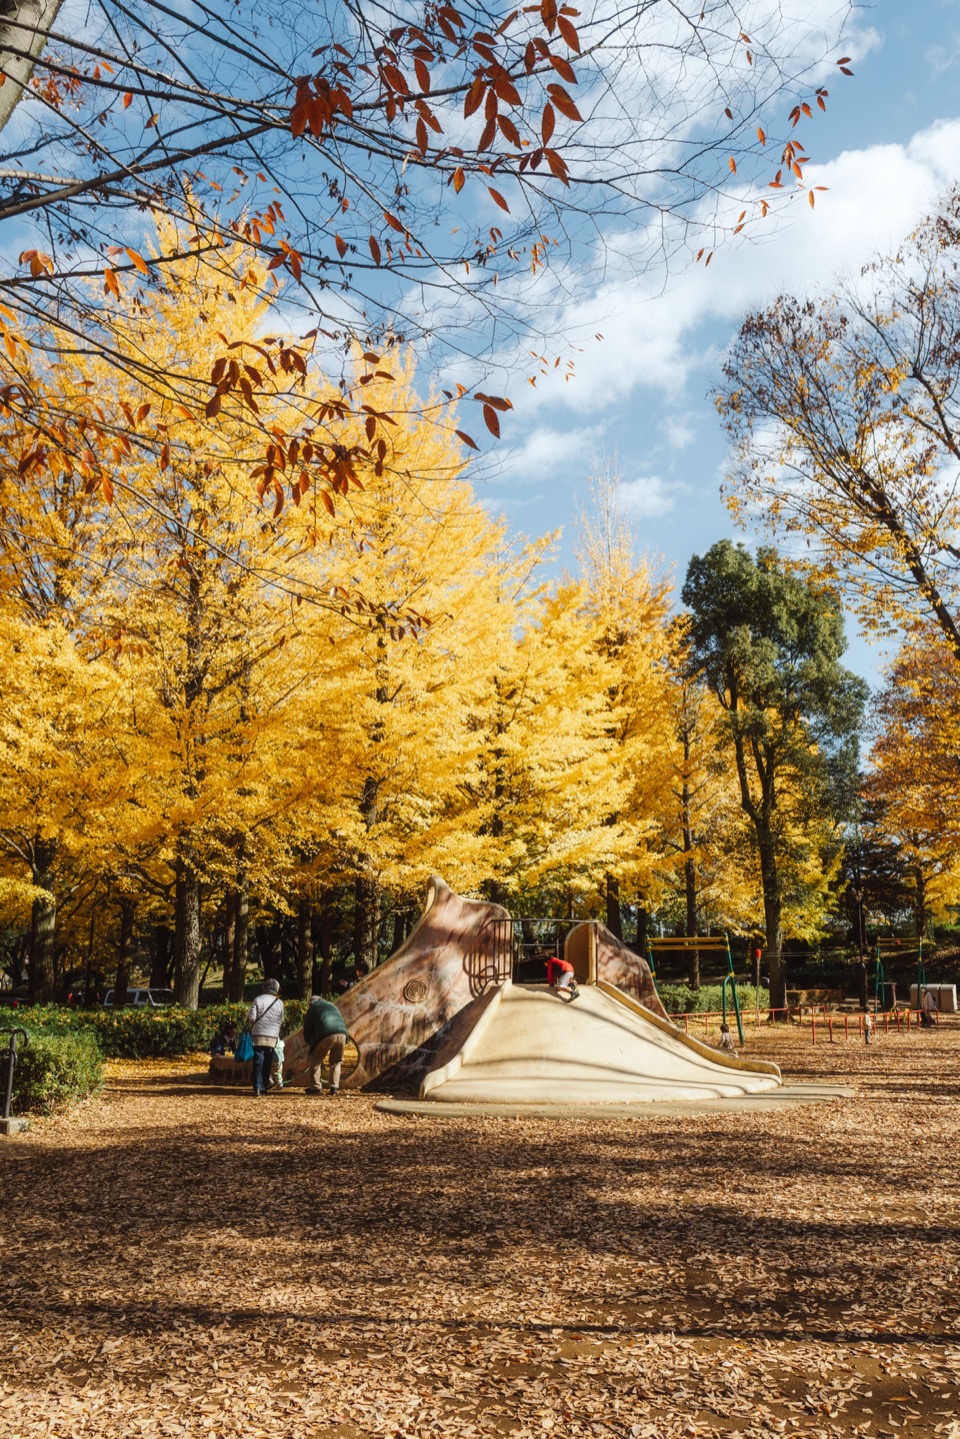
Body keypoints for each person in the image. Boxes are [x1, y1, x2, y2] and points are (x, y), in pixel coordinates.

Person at [303, 996, 349, 1095]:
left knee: (315, 1060)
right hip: (342, 1034)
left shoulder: (313, 1008)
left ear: (311, 1003)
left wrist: (309, 1042)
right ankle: (334, 1088)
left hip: (326, 1034)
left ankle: (315, 1087)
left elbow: (307, 1027)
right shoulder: (332, 1005)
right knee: (336, 1062)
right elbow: (341, 1021)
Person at [246, 979, 284, 1096]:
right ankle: (264, 1087)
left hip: (258, 1034)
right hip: (272, 1035)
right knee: (268, 1061)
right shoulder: (279, 1002)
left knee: (258, 1061)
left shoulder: (258, 999)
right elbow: (281, 1020)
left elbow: (252, 1018)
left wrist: (246, 1015)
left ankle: (257, 1087)